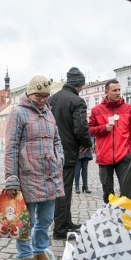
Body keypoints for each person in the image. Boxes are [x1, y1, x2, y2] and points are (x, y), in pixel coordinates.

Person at [4, 75, 64, 260]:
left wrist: (59, 158)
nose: (42, 99)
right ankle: (25, 254)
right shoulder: (18, 113)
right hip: (28, 174)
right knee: (26, 220)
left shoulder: (49, 113)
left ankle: (39, 251)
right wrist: (11, 178)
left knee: (46, 219)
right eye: (38, 95)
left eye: (45, 96)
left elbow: (57, 140)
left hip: (50, 174)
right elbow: (11, 146)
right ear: (29, 93)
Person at [49, 67, 92, 239]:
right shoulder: (77, 101)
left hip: (51, 151)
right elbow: (81, 128)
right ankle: (60, 229)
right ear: (78, 84)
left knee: (59, 189)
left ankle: (66, 222)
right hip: (67, 151)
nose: (82, 88)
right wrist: (86, 143)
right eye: (82, 85)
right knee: (64, 190)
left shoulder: (51, 99)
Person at [89, 79, 131, 204]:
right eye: (114, 90)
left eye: (119, 90)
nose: (118, 93)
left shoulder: (129, 109)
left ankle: (126, 218)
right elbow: (90, 130)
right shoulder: (96, 110)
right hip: (104, 156)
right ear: (106, 92)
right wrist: (103, 128)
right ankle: (109, 218)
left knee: (127, 189)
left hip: (123, 156)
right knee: (108, 192)